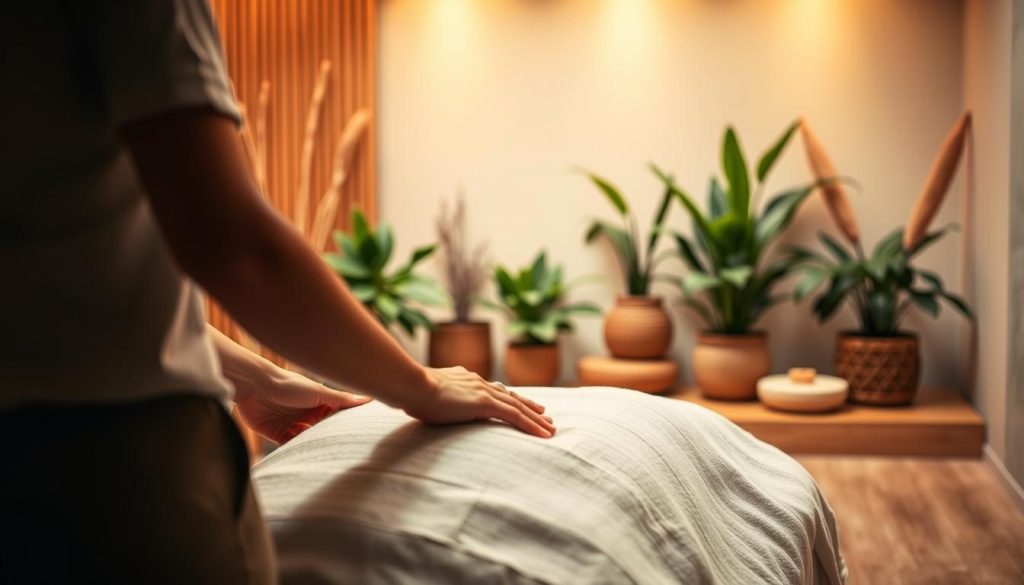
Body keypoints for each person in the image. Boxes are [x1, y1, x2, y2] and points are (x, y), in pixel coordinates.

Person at [0, 1, 554, 583]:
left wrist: (258, 377)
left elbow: (62, 281)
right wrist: (421, 387)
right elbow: (233, 246)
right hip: (112, 467)